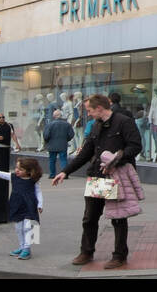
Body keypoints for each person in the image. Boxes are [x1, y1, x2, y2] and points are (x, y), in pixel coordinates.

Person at [50, 93, 142, 270]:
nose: (89, 114)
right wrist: (65, 172)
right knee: (90, 217)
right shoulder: (96, 125)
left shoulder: (124, 122)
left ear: (99, 108)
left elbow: (135, 146)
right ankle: (86, 251)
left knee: (118, 217)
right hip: (98, 177)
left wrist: (116, 160)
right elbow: (86, 152)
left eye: (90, 110)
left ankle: (119, 256)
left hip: (116, 177)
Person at [0, 155, 43, 259]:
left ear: (29, 171)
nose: (16, 170)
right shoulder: (13, 177)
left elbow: (38, 192)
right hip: (16, 205)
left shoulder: (33, 180)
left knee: (28, 227)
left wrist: (40, 204)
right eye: (16, 168)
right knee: (18, 228)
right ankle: (22, 247)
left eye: (20, 169)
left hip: (29, 206)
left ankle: (27, 248)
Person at [43, 109, 74, 178]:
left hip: (52, 145)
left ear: (54, 116)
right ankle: (64, 174)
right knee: (63, 160)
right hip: (62, 145)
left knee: (52, 160)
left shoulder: (49, 125)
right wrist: (66, 139)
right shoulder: (67, 124)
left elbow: (46, 135)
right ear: (61, 116)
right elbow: (71, 134)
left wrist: (48, 141)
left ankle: (52, 175)